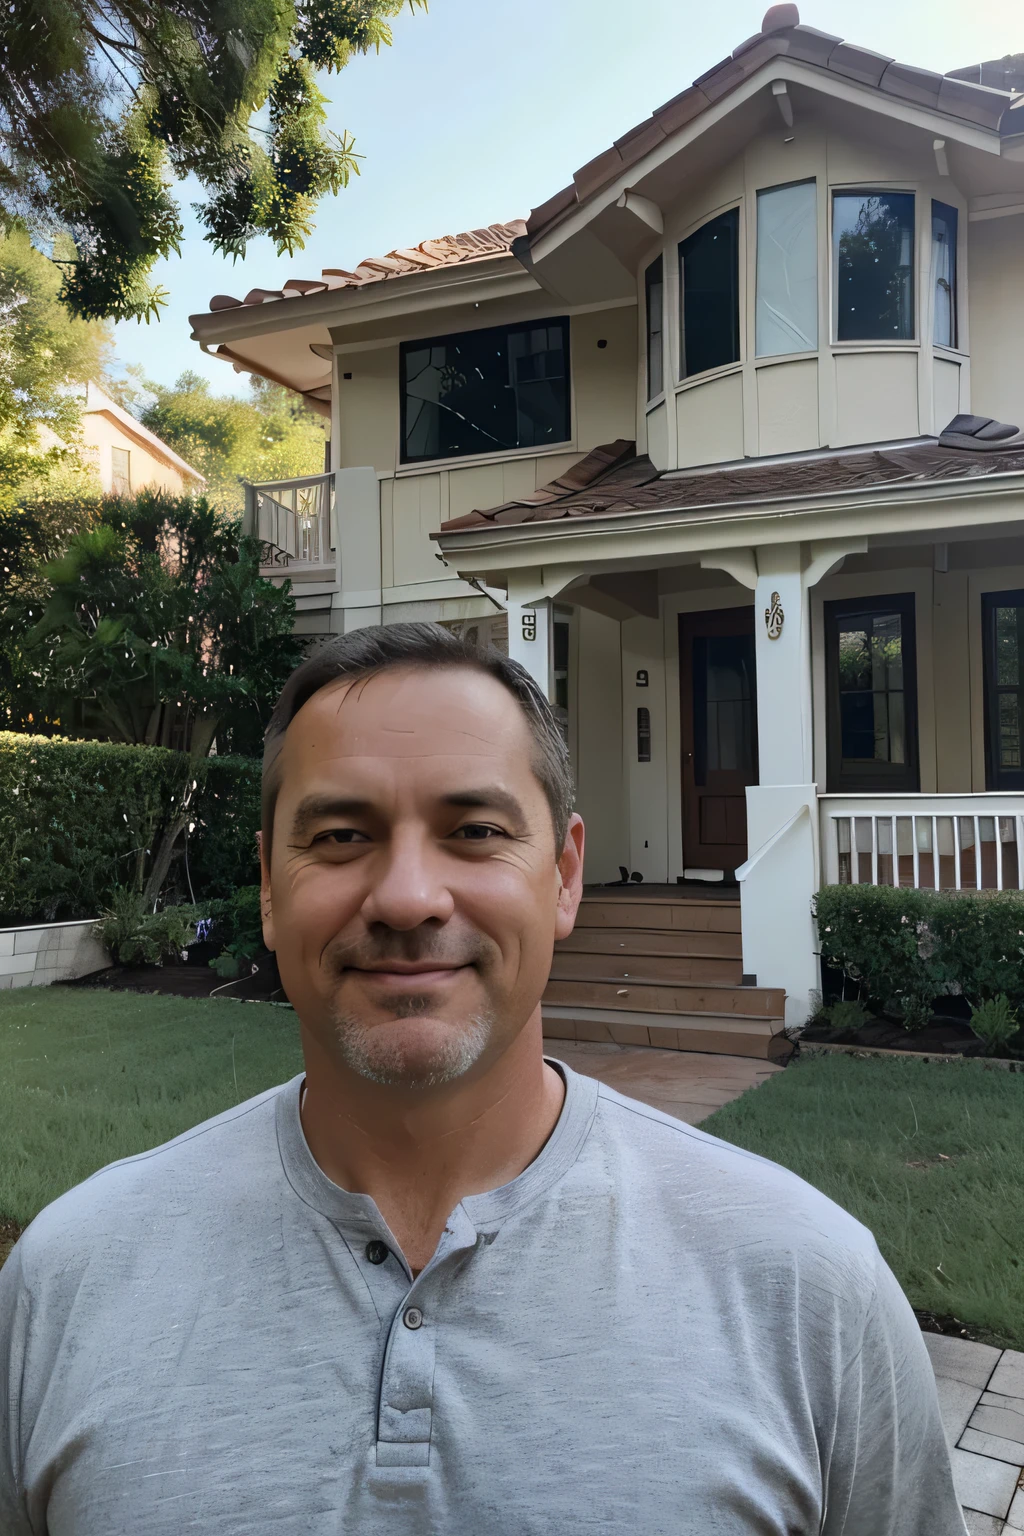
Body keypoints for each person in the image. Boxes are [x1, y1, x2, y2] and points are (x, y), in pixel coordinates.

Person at [0, 622, 966, 1536]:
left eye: (474, 830)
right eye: (340, 836)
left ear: (565, 876)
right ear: (265, 883)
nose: (409, 897)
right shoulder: (68, 1281)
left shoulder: (805, 1288)